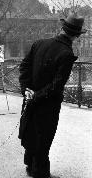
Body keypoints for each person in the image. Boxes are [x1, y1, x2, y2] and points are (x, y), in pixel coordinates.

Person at [18, 13, 87, 178]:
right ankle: (39, 172)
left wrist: (26, 90)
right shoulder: (66, 54)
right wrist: (37, 96)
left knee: (30, 130)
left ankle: (29, 164)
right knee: (44, 137)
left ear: (62, 28)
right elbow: (57, 85)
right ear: (76, 36)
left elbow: (24, 68)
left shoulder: (39, 43)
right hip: (47, 104)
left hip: (30, 98)